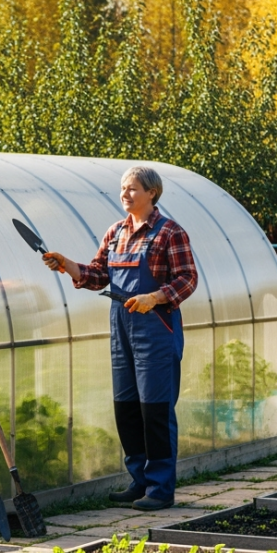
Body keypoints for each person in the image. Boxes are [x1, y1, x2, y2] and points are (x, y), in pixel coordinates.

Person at [42, 166, 197, 510]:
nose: (125, 194)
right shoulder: (115, 233)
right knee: (126, 408)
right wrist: (66, 263)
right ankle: (138, 480)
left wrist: (154, 297)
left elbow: (188, 278)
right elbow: (98, 275)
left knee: (155, 410)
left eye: (132, 189)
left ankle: (160, 488)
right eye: (123, 189)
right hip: (121, 329)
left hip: (156, 328)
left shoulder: (169, 232)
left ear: (152, 193)